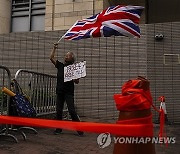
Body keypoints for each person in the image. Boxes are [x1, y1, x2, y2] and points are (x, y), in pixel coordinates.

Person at [50, 43, 84, 136]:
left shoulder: (74, 68)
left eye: (68, 56)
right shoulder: (60, 65)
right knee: (59, 111)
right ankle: (58, 129)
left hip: (68, 92)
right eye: (65, 55)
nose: (66, 57)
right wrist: (54, 48)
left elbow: (77, 82)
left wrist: (74, 77)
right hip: (60, 91)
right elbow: (51, 58)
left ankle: (79, 129)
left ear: (72, 59)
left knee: (72, 110)